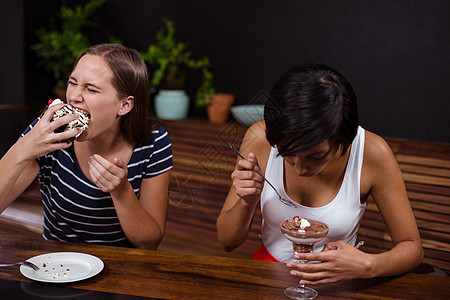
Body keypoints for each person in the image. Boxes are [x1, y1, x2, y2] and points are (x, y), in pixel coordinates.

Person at [216, 63, 423, 284]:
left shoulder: (372, 153)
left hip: (337, 281)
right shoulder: (260, 138)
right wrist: (247, 202)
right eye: (286, 153)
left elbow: (412, 248)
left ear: (345, 137)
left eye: (316, 156)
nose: (300, 168)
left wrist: (367, 264)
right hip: (269, 275)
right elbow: (227, 241)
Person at [0, 43, 173, 249]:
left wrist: (121, 192)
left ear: (124, 105)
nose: (73, 96)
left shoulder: (154, 141)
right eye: (72, 83)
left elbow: (149, 242)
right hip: (56, 263)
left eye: (91, 89)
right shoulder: (49, 131)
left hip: (124, 268)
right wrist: (24, 148)